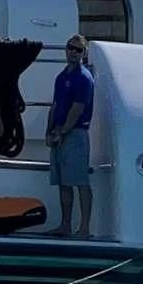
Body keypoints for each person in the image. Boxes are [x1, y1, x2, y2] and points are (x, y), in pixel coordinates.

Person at [46, 35, 96, 237]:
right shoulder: (61, 77)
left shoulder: (83, 78)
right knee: (63, 182)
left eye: (78, 50)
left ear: (84, 54)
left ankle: (84, 227)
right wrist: (48, 131)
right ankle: (65, 224)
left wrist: (62, 131)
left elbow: (78, 108)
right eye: (71, 48)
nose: (73, 52)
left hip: (75, 134)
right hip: (59, 133)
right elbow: (55, 105)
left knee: (80, 181)